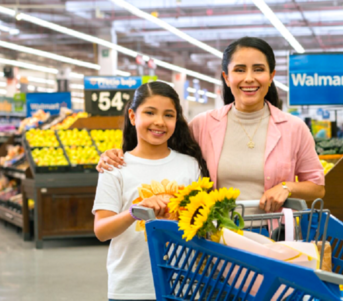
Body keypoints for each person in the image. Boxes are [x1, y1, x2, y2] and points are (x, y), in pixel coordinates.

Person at [97, 37, 325, 214]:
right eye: (239, 70)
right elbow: (162, 155)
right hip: (216, 238)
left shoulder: (294, 128)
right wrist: (114, 156)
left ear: (271, 75)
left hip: (274, 236)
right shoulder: (202, 125)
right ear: (227, 78)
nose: (249, 78)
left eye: (258, 69)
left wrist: (287, 187)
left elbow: (317, 187)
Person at [92, 81, 208, 301]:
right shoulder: (114, 167)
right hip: (131, 287)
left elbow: (200, 225)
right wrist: (135, 212)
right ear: (133, 117)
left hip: (183, 286)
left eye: (168, 115)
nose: (159, 122)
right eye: (150, 112)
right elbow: (101, 230)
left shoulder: (190, 165)